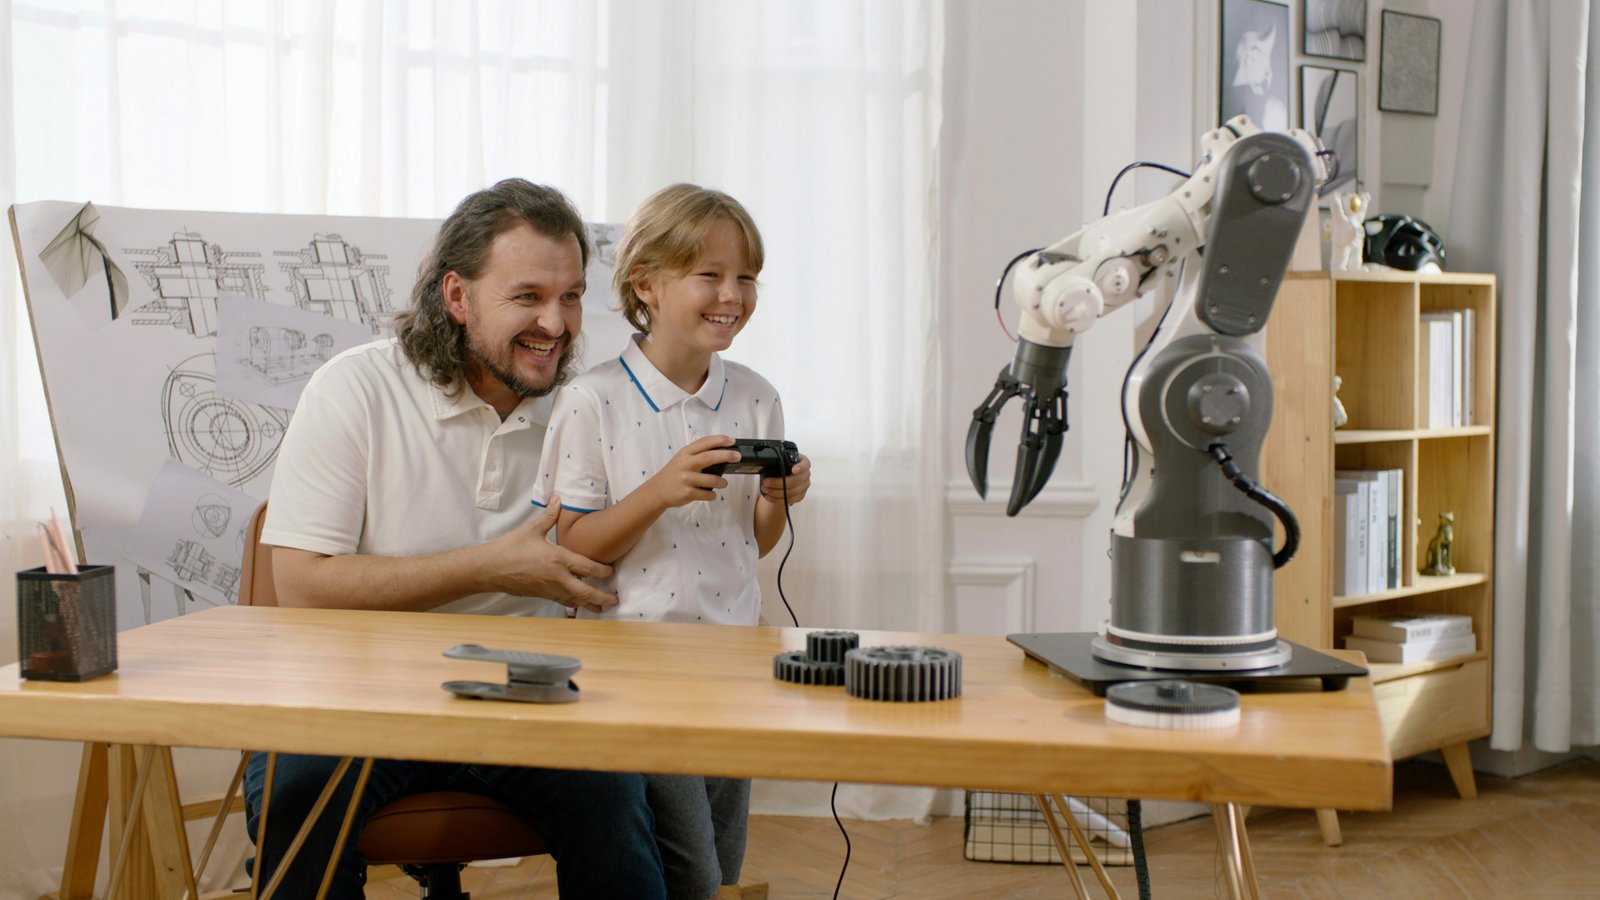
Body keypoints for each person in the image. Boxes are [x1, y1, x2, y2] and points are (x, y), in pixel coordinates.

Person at [244, 178, 668, 899]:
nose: (557, 323)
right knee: (300, 799)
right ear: (457, 298)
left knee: (616, 809)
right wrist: (490, 568)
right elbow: (303, 586)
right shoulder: (355, 389)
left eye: (570, 297)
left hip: (528, 697)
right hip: (356, 695)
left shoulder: (589, 405)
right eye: (527, 296)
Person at [532, 183, 812, 898]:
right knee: (689, 867)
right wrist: (658, 489)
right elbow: (572, 549)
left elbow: (753, 540)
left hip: (733, 655)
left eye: (746, 277)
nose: (733, 294)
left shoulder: (756, 395)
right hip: (633, 668)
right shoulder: (593, 399)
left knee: (722, 857)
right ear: (646, 285)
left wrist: (777, 499)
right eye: (710, 275)